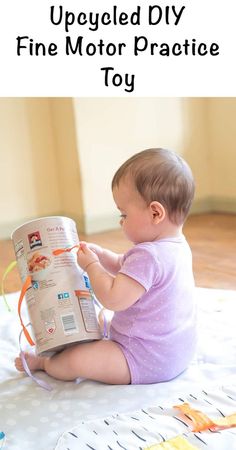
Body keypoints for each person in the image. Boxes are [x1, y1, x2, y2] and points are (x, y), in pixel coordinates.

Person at [15, 148, 196, 385]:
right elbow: (125, 266)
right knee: (93, 325)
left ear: (155, 212)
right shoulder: (176, 246)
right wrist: (101, 255)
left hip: (142, 358)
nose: (121, 222)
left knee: (78, 360)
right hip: (174, 352)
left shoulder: (150, 255)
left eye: (124, 214)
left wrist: (92, 265)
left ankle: (45, 363)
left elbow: (113, 298)